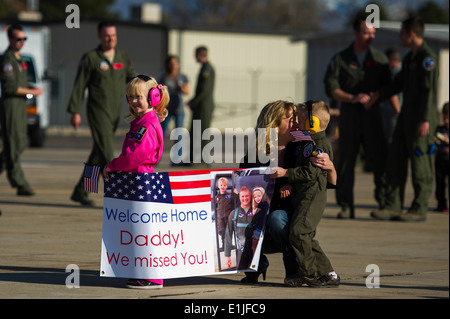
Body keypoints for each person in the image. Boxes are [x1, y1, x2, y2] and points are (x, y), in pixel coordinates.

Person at [239, 100, 336, 285]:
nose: (296, 123)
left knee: (277, 218)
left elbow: (322, 183)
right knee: (237, 219)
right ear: (274, 125)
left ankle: (295, 270)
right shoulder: (254, 157)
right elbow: (246, 195)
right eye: (290, 119)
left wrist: (330, 168)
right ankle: (255, 265)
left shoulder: (300, 150)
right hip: (259, 226)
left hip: (285, 226)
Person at [324, 16, 398, 219]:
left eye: (373, 33)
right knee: (346, 162)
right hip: (350, 117)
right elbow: (331, 88)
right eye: (366, 33)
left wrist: (376, 97)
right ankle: (346, 205)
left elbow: (390, 87)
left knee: (379, 159)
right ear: (356, 33)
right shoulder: (341, 59)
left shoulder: (380, 59)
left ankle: (384, 203)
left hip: (373, 117)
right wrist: (352, 97)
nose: (370, 37)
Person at [370, 17, 439, 222]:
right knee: (395, 159)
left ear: (411, 33)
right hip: (406, 118)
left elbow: (430, 92)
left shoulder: (428, 59)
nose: (400, 37)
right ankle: (393, 205)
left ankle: (419, 208)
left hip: (421, 119)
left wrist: (425, 119)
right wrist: (377, 95)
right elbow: (396, 85)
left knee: (420, 162)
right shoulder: (410, 59)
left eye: (402, 32)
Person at [103, 74, 169, 288]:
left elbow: (135, 157)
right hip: (135, 180)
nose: (132, 101)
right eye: (129, 97)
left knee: (145, 232)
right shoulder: (140, 122)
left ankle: (153, 277)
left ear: (153, 97)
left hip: (141, 181)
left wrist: (113, 165)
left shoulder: (147, 126)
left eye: (137, 97)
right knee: (136, 229)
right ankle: (142, 270)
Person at [269, 101, 339, 287]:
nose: (296, 124)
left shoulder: (318, 146)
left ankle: (308, 273)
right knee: (305, 235)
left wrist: (285, 173)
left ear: (312, 123)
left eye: (298, 120)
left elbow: (311, 172)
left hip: (311, 196)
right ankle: (328, 273)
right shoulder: (305, 140)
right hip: (304, 195)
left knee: (299, 232)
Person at [67, 21, 135, 206]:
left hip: (113, 113)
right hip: (97, 112)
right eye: (106, 35)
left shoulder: (122, 57)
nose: (110, 39)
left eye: (113, 35)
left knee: (96, 155)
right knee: (106, 153)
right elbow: (79, 85)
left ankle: (81, 190)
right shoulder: (90, 58)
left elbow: (132, 80)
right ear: (99, 36)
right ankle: (118, 194)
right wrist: (75, 111)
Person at [0, 24, 43, 196]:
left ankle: (17, 179)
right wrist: (32, 92)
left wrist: (30, 86)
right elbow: (10, 87)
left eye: (24, 39)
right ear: (10, 39)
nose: (22, 42)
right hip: (11, 105)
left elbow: (20, 82)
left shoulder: (20, 59)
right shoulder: (8, 60)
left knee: (19, 143)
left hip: (20, 106)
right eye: (18, 39)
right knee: (13, 143)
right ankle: (19, 181)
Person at [188, 46, 215, 163]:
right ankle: (195, 158)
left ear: (199, 55)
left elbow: (204, 90)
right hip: (201, 106)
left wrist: (194, 102)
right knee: (196, 131)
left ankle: (202, 159)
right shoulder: (205, 68)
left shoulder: (207, 69)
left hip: (203, 107)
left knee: (202, 132)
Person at [159, 55, 189, 139]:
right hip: (166, 108)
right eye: (171, 63)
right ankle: (157, 151)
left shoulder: (182, 77)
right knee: (162, 132)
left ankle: (178, 152)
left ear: (178, 65)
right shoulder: (163, 77)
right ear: (168, 65)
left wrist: (181, 88)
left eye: (175, 63)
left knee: (178, 134)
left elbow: (187, 91)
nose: (173, 66)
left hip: (178, 109)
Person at [224, 186, 252, 270]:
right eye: (242, 196)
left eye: (247, 196)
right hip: (241, 252)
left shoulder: (257, 211)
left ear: (250, 195)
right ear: (239, 197)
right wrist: (227, 255)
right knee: (245, 272)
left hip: (255, 251)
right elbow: (228, 234)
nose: (245, 198)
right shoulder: (234, 214)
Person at [433, 102, 449, 213]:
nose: (446, 121)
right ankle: (441, 204)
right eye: (444, 118)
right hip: (440, 158)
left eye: (448, 118)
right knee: (440, 183)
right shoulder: (440, 129)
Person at [214, 177, 238, 247]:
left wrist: (236, 194)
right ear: (218, 186)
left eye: (224, 185)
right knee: (222, 231)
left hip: (228, 216)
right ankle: (224, 244)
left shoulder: (229, 195)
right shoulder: (216, 197)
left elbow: (235, 202)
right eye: (221, 185)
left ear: (227, 186)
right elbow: (215, 207)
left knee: (229, 230)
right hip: (220, 217)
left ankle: (229, 244)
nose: (223, 187)